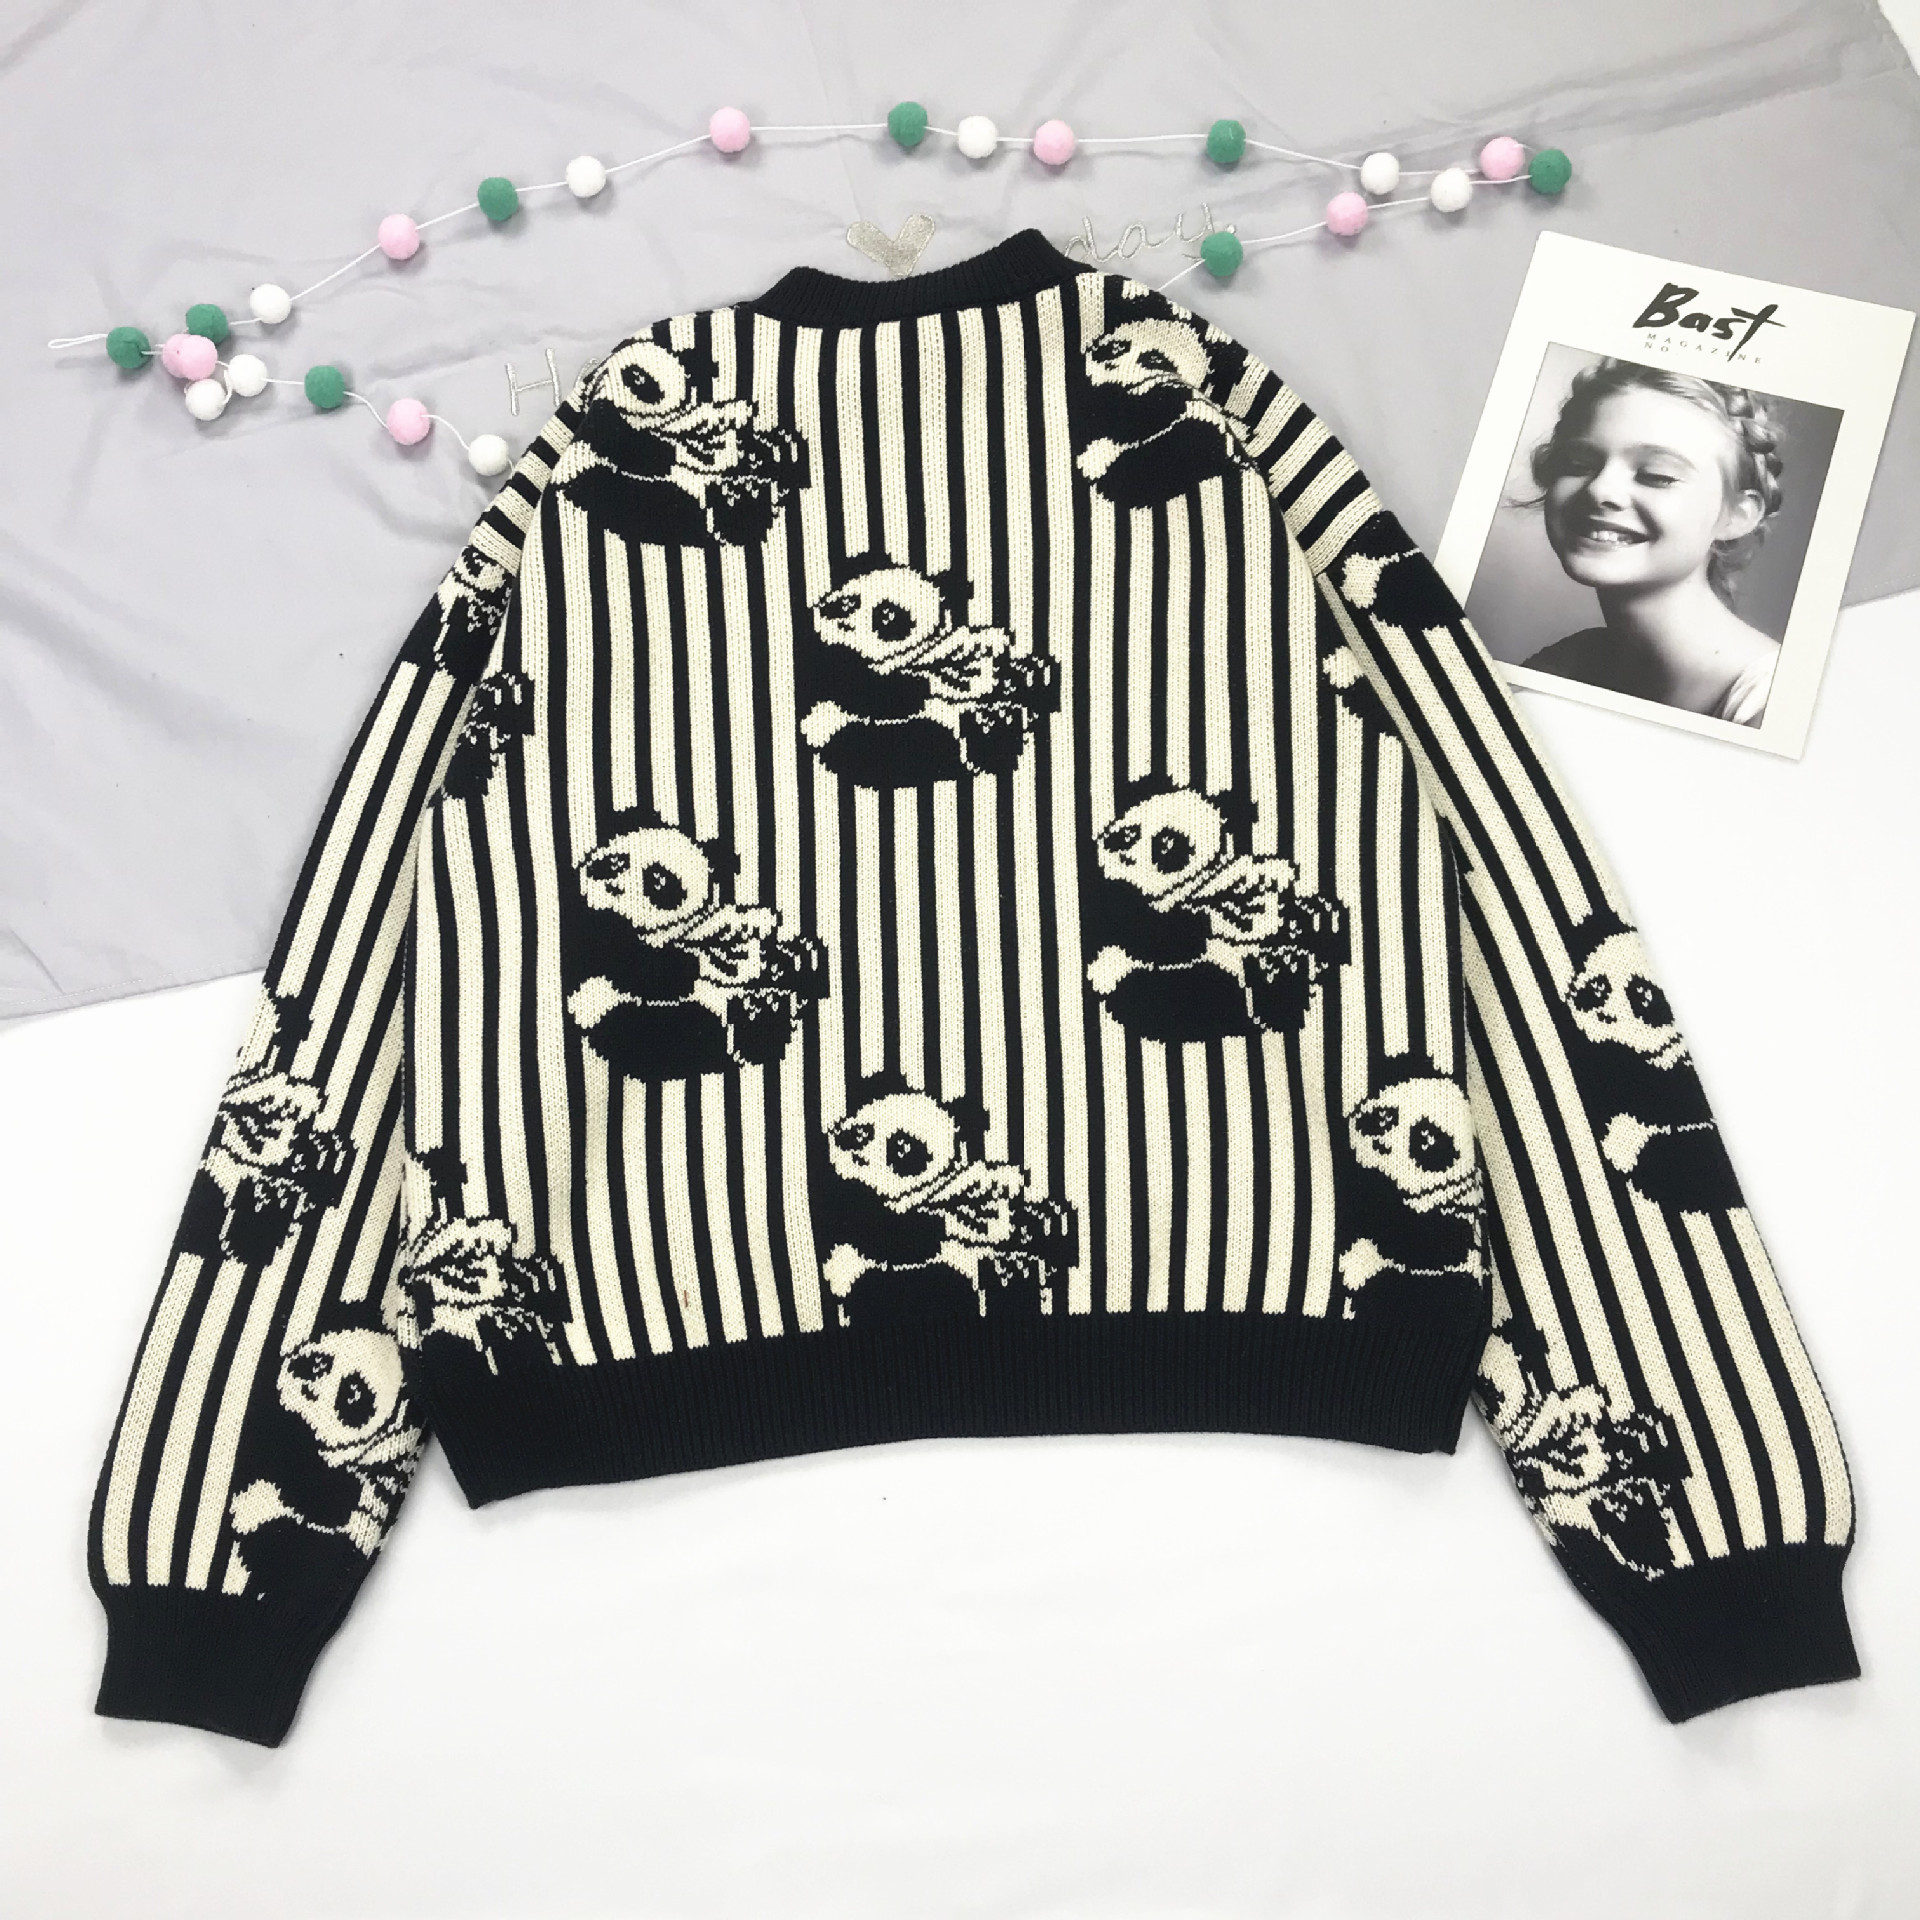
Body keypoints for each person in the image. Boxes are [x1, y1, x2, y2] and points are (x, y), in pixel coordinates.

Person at [1517, 360, 1786, 727]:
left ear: (1737, 515)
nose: (1600, 489)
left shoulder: (1771, 703)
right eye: (1578, 464)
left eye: (1656, 476)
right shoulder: (1562, 666)